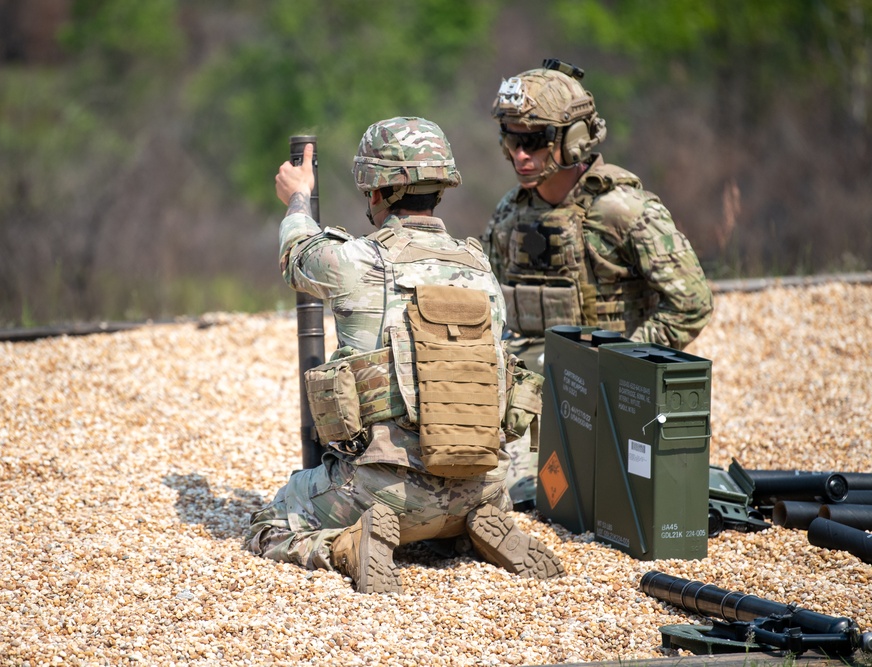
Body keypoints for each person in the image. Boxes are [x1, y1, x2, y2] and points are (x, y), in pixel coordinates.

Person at [246, 117, 564, 593]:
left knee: (267, 524)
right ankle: (468, 533)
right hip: (482, 486)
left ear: (375, 190)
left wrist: (298, 195)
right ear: (441, 185)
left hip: (384, 493)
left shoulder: (358, 261)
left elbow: (297, 251)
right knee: (451, 515)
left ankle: (345, 546)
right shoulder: (479, 267)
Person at [482, 60, 714, 510]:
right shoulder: (509, 213)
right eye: (511, 140)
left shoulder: (623, 211)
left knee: (539, 499)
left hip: (607, 403)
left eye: (533, 141)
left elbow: (692, 303)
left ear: (572, 140)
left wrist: (623, 366)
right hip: (528, 398)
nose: (520, 155)